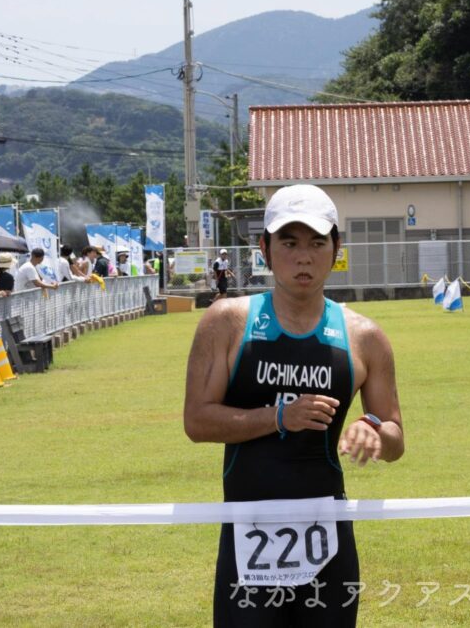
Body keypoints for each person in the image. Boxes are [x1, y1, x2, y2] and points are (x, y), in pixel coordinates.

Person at [184, 184, 405, 626]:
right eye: (289, 243)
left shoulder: (364, 336)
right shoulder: (228, 322)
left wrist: (372, 426)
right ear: (264, 248)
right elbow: (197, 420)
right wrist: (280, 417)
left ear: (336, 249)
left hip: (330, 541)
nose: (304, 257)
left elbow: (396, 438)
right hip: (248, 540)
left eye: (317, 243)